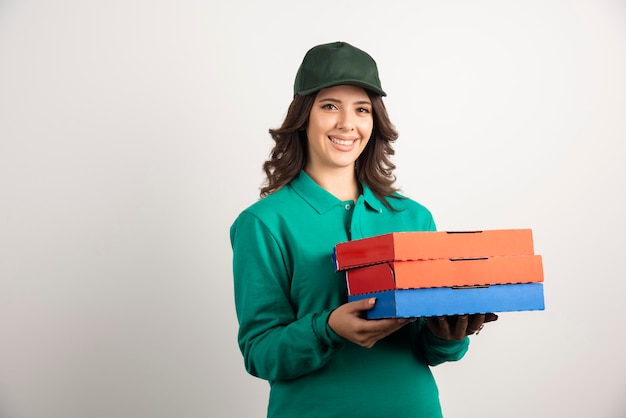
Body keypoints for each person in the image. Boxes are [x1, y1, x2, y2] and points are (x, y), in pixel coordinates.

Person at [230, 41, 497, 418]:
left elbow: (431, 350)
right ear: (303, 116)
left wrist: (447, 336)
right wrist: (328, 329)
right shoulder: (263, 223)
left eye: (361, 109)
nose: (347, 123)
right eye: (329, 106)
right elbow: (260, 353)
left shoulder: (414, 218)